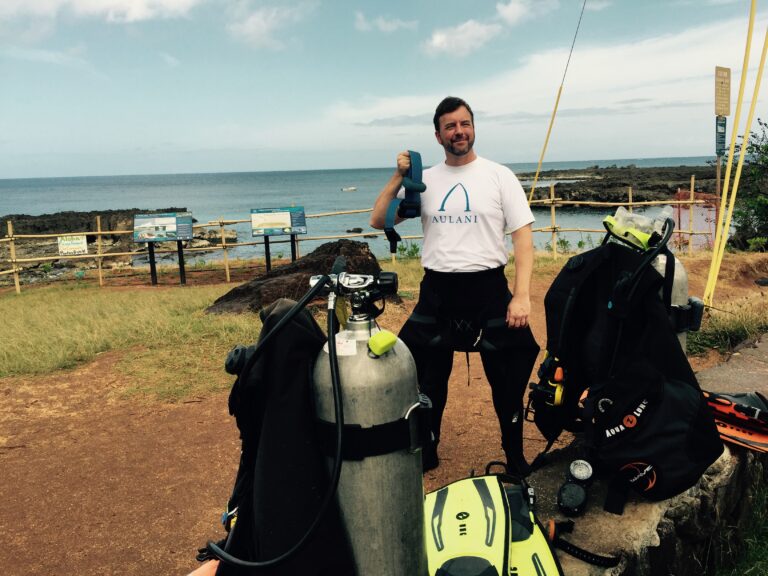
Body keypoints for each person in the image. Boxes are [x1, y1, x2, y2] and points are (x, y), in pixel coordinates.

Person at [370, 96, 540, 475]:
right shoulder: (423, 180)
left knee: (507, 379)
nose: (459, 131)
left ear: (473, 127)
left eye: (464, 124)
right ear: (438, 134)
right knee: (427, 378)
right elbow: (378, 220)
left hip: (489, 290)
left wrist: (522, 296)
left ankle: (514, 455)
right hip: (438, 292)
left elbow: (523, 238)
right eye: (450, 126)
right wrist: (399, 176)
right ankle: (428, 450)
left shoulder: (499, 175)